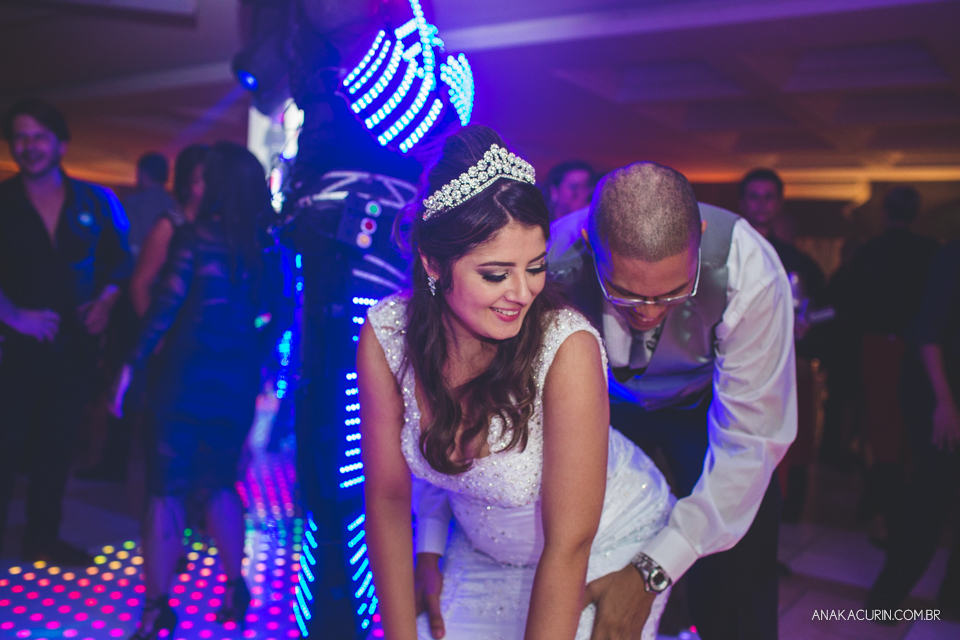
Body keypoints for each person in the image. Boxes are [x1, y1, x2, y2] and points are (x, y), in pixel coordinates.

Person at [360, 125, 675, 640]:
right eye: (496, 274)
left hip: (599, 544)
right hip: (480, 547)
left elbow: (569, 545)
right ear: (434, 263)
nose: (523, 292)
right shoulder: (387, 336)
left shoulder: (567, 348)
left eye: (536, 266)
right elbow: (388, 501)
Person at [540, 161, 797, 640]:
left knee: (741, 559)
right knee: (588, 539)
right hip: (598, 407)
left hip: (704, 405)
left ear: (700, 237)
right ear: (591, 246)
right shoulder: (550, 259)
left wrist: (654, 570)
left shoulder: (749, 268)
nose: (649, 314)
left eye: (674, 293)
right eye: (625, 294)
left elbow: (751, 439)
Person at [110, 141, 288, 639]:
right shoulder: (267, 248)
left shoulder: (193, 238)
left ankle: (157, 610)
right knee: (220, 484)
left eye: (204, 176)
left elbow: (163, 309)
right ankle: (235, 587)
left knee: (165, 491)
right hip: (235, 382)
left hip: (183, 378)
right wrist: (252, 356)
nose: (197, 184)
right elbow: (281, 316)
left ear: (219, 184)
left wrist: (129, 366)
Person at [0, 97, 131, 566]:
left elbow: (121, 260)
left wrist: (107, 302)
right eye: (21, 137)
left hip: (75, 348)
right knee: (5, 446)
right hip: (13, 349)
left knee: (56, 449)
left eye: (39, 136)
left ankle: (42, 537)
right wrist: (14, 314)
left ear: (61, 144)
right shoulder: (4, 201)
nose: (29, 146)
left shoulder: (97, 200)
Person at [77, 144, 209, 483]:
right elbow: (138, 279)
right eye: (201, 178)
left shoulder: (212, 224)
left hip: (181, 334)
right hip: (153, 323)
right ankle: (122, 464)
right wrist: (156, 335)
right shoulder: (170, 221)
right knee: (135, 393)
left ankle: (140, 467)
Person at [867, 239, 960, 620]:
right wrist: (945, 403)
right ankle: (884, 602)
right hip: (936, 386)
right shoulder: (953, 256)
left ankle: (952, 601)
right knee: (932, 492)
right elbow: (927, 333)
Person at [846, 186, 938, 535]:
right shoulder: (931, 251)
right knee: (910, 427)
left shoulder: (870, 251)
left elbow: (852, 306)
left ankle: (886, 503)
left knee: (881, 424)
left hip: (878, 347)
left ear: (885, 213)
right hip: (918, 350)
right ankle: (897, 506)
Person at [739, 168, 827, 523]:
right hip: (739, 370)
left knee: (791, 442)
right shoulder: (727, 254)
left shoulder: (798, 261)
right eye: (754, 197)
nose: (761, 205)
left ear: (779, 203)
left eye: (768, 197)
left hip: (787, 368)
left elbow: (820, 314)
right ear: (744, 202)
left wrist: (807, 329)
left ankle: (786, 514)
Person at [123, 152, 177, 258]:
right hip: (166, 263)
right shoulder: (174, 205)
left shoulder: (133, 203)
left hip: (138, 261)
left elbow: (131, 240)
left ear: (143, 174)